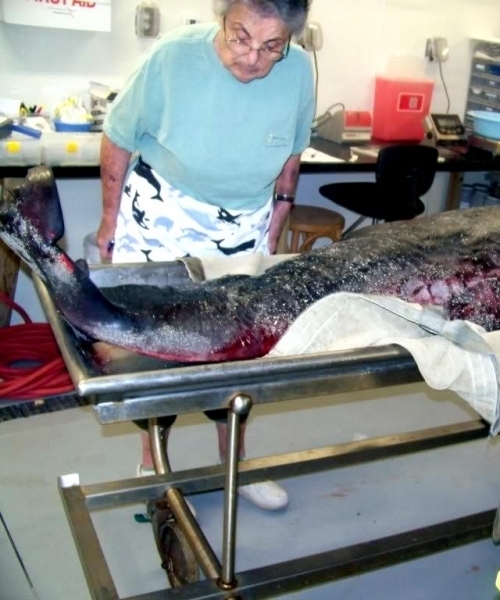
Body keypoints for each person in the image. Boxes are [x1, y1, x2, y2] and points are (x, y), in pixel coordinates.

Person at [97, 0, 315, 511]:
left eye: (272, 47)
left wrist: (279, 216)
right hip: (163, 215)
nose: (252, 58)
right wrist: (109, 220)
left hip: (243, 224)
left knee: (236, 351)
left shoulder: (300, 70)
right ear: (222, 16)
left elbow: (292, 153)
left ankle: (234, 463)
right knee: (158, 351)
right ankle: (153, 469)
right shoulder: (173, 56)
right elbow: (117, 138)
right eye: (241, 37)